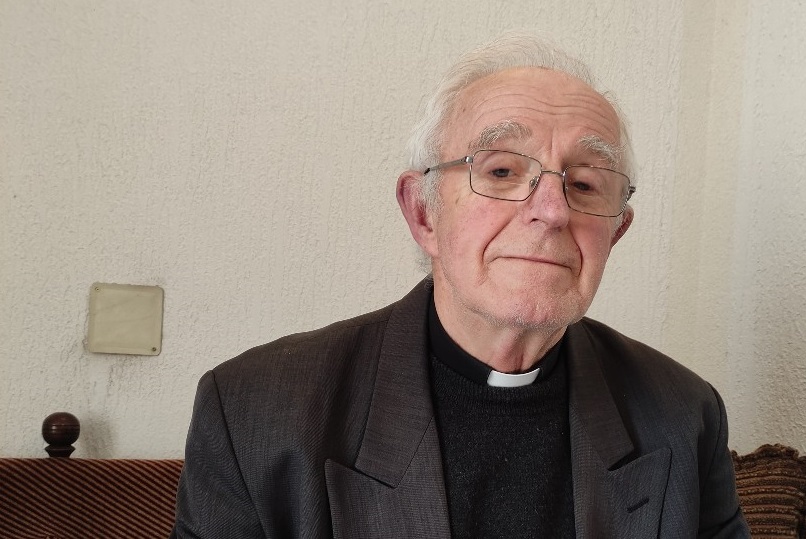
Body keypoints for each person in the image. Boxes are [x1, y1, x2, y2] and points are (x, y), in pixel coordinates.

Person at [171, 33, 749, 538]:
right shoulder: (256, 410)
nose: (552, 211)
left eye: (585, 184)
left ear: (614, 233)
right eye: (501, 171)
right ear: (424, 213)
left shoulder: (683, 414)